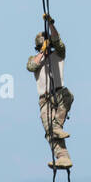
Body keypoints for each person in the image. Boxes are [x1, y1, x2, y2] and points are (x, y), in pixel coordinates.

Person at [26, 15, 73, 169]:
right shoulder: (35, 59)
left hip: (58, 94)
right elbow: (31, 66)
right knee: (50, 133)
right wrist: (43, 52)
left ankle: (57, 126)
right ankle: (63, 157)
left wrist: (50, 24)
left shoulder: (59, 53)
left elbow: (58, 40)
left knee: (68, 96)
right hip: (44, 100)